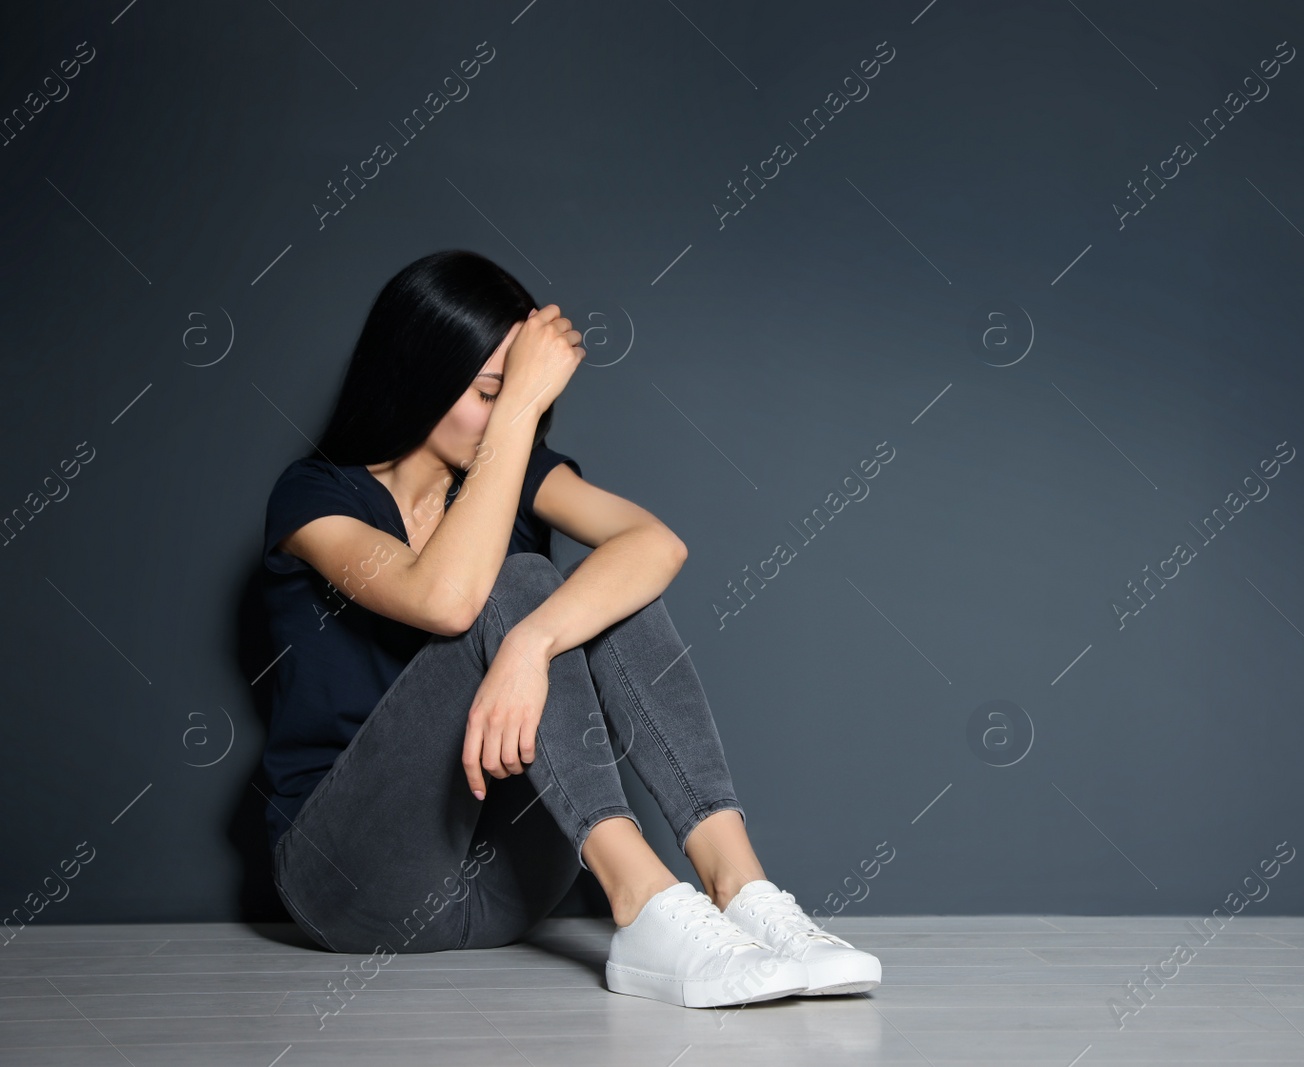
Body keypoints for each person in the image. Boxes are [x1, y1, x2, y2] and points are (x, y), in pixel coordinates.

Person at [259, 249, 880, 1009]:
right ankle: (642, 901)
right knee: (521, 578)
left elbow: (658, 544)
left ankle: (738, 884)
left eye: (514, 395)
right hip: (351, 879)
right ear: (420, 372)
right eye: (490, 391)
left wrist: (533, 640)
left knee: (608, 587)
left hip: (504, 885)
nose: (504, 415)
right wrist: (520, 411)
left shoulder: (514, 469)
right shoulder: (315, 498)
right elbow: (448, 599)